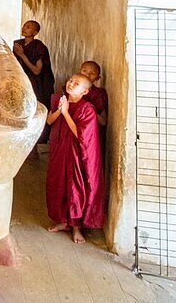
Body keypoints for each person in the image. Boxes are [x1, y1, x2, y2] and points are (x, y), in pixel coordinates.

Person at [45, 74, 104, 243]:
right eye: (71, 81)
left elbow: (81, 135)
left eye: (76, 84)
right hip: (59, 149)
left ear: (85, 91)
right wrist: (60, 110)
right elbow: (49, 121)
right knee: (58, 184)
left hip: (76, 154)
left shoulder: (87, 109)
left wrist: (66, 113)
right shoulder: (60, 99)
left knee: (74, 187)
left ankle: (76, 227)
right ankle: (63, 222)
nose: (71, 84)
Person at [13, 20, 54, 142]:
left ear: (35, 32)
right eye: (24, 26)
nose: (24, 28)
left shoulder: (39, 47)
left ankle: (38, 140)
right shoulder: (18, 44)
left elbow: (36, 70)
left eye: (29, 27)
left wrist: (22, 55)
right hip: (25, 81)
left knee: (37, 111)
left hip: (39, 84)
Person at [79, 60, 108, 129]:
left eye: (92, 73)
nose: (87, 75)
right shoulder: (70, 88)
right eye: (84, 71)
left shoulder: (98, 93)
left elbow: (103, 121)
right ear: (79, 71)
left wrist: (89, 110)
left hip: (89, 129)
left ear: (98, 78)